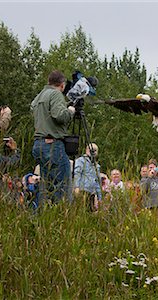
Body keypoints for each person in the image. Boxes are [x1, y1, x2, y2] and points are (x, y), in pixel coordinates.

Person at [31, 70, 75, 204]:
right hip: (52, 145)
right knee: (63, 186)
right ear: (62, 84)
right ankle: (63, 215)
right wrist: (70, 112)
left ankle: (44, 216)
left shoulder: (40, 96)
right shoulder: (56, 94)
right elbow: (59, 115)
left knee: (46, 187)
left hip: (39, 144)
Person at [73, 143, 102, 210]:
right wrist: (76, 187)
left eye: (95, 150)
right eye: (91, 150)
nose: (93, 152)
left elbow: (98, 182)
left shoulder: (96, 166)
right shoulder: (80, 161)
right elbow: (77, 174)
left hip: (92, 193)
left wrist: (99, 197)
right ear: (86, 150)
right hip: (82, 190)